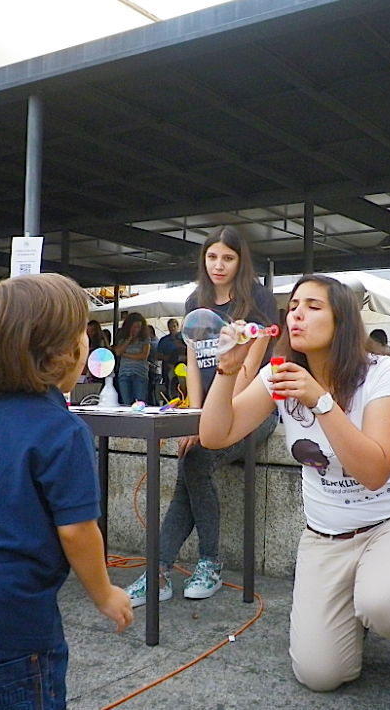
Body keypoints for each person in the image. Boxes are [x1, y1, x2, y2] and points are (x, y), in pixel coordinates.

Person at [199, 274, 390, 690]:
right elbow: (214, 435)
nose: (297, 315)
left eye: (313, 307)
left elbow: (374, 473)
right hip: (326, 536)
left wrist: (321, 402)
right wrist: (228, 368)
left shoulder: (379, 372)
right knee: (319, 675)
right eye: (293, 306)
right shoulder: (279, 374)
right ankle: (357, 610)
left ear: (341, 321)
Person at [0, 273, 133, 710]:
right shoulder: (63, 431)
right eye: (82, 334)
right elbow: (77, 531)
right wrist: (105, 593)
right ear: (63, 354)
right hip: (9, 625)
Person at [124, 225, 279, 607]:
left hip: (253, 409)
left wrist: (212, 421)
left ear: (240, 261)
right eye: (212, 257)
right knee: (190, 467)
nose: (218, 265)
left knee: (194, 461)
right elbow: (193, 363)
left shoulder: (258, 300)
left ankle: (199, 563)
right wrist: (197, 419)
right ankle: (161, 571)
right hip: (208, 410)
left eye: (228, 257)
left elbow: (248, 372)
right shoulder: (196, 301)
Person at [114, 312, 151, 405]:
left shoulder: (145, 339)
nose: (136, 330)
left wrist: (126, 355)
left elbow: (144, 355)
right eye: (134, 327)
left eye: (139, 327)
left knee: (139, 402)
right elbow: (118, 352)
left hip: (140, 373)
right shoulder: (122, 338)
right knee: (126, 403)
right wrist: (129, 339)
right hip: (124, 373)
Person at [157, 318, 188, 400]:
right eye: (170, 327)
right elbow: (157, 356)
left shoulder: (186, 344)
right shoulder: (164, 341)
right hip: (171, 372)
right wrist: (170, 359)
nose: (172, 328)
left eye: (174, 326)